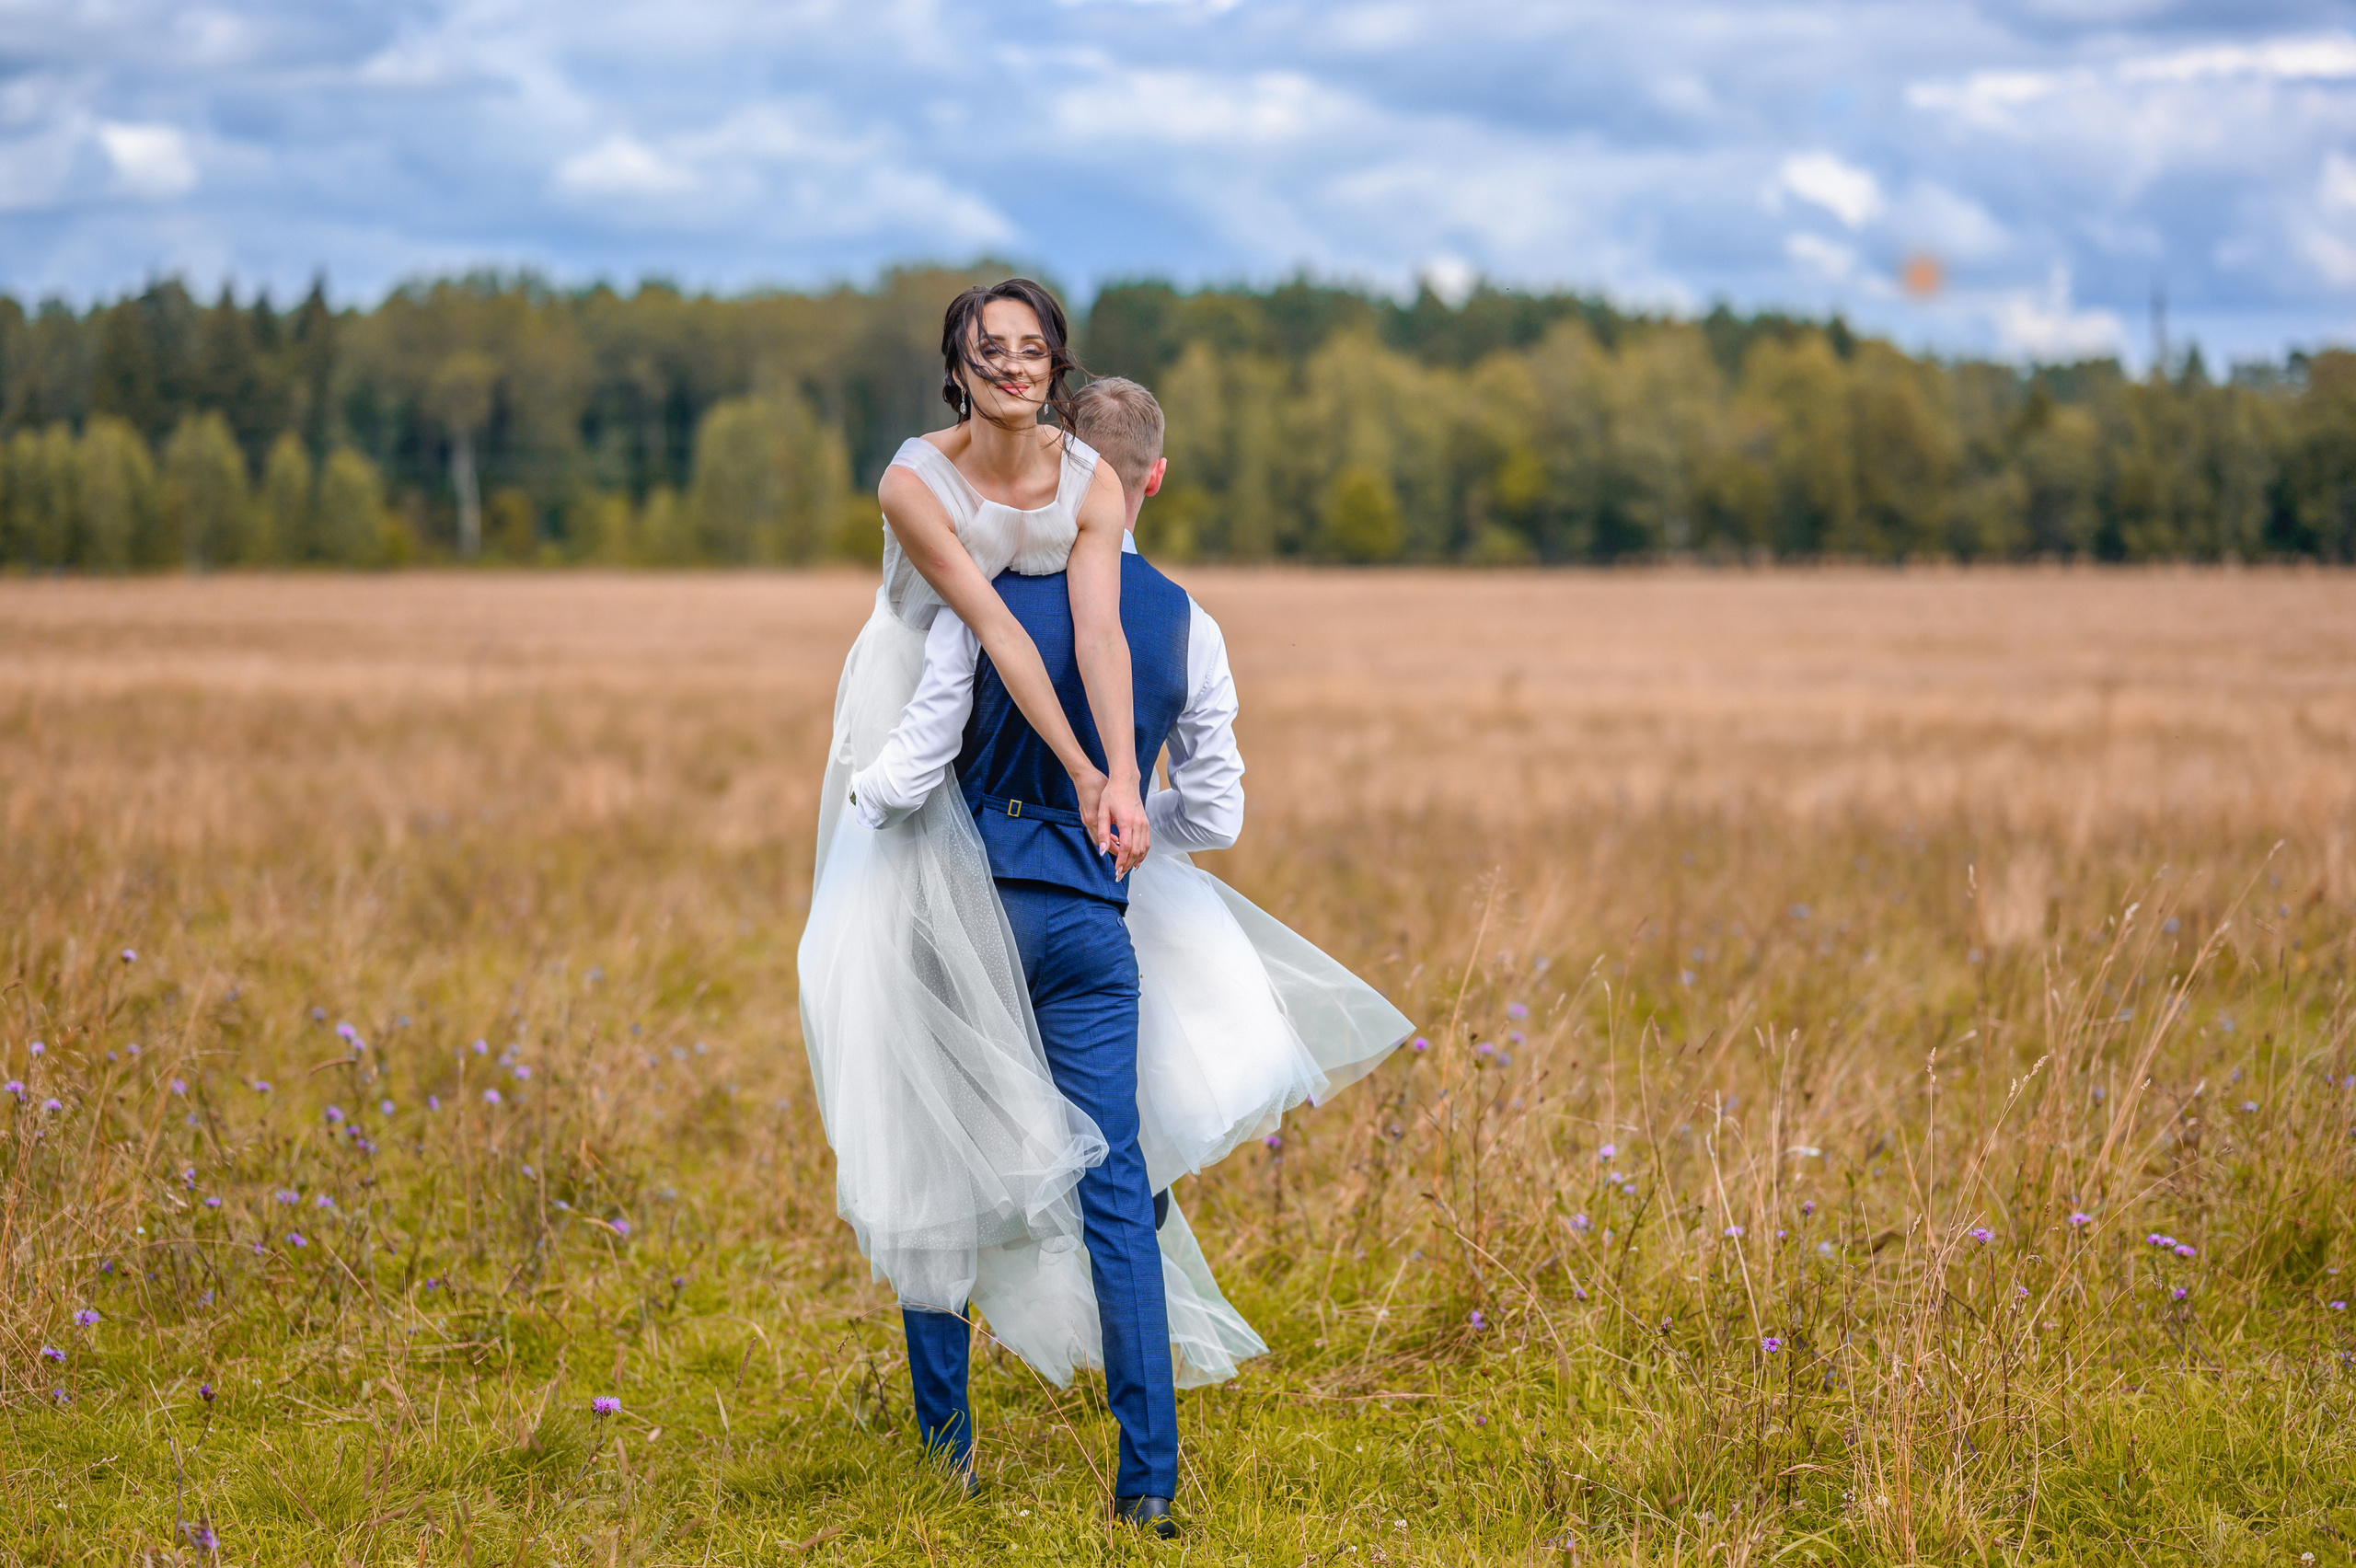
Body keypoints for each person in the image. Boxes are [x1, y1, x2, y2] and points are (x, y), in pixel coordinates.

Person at [797, 290, 1412, 1531]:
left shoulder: (984, 600)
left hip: (963, 911)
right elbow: (1216, 811)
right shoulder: (1185, 623)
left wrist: (864, 808)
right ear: (1148, 478)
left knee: (936, 1163)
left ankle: (944, 1452)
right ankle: (1146, 1488)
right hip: (1092, 912)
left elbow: (918, 756)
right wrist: (1122, 812)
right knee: (1116, 1192)